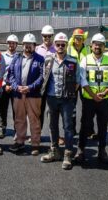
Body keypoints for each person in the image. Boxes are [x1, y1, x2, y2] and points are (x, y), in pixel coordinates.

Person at [40, 32, 80, 170]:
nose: (60, 47)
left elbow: (78, 81)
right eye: (58, 44)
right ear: (55, 45)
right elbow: (44, 78)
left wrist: (69, 94)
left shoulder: (73, 61)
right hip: (51, 98)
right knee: (52, 126)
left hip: (67, 100)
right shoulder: (48, 60)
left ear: (67, 45)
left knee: (68, 127)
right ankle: (54, 151)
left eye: (63, 44)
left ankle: (68, 154)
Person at [77, 33, 108, 165]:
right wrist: (93, 95)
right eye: (95, 44)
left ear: (104, 46)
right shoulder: (85, 60)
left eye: (100, 44)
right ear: (91, 45)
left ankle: (102, 150)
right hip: (89, 99)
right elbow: (82, 79)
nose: (97, 46)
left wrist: (104, 93)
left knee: (103, 126)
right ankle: (81, 150)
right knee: (85, 125)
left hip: (104, 100)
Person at [7, 33, 45, 155]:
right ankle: (20, 141)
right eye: (26, 44)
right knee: (19, 119)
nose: (28, 46)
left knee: (34, 119)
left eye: (30, 44)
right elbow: (10, 75)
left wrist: (29, 87)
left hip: (32, 94)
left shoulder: (40, 59)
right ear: (22, 45)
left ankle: (35, 144)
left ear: (34, 45)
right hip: (18, 94)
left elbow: (42, 77)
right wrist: (16, 87)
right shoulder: (16, 58)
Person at [35, 24, 56, 129]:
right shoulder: (37, 49)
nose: (47, 38)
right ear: (42, 36)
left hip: (53, 85)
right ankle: (37, 134)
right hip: (40, 84)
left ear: (53, 36)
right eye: (45, 36)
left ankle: (55, 136)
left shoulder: (57, 49)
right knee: (39, 110)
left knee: (53, 111)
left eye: (49, 36)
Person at [0, 34, 19, 138]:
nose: (11, 45)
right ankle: (2, 128)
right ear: (7, 44)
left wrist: (12, 85)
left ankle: (17, 130)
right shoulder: (1, 56)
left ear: (16, 44)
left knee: (16, 109)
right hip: (3, 86)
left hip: (14, 87)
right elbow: (0, 72)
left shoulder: (19, 57)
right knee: (3, 108)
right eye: (10, 43)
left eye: (13, 43)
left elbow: (19, 73)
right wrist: (4, 84)